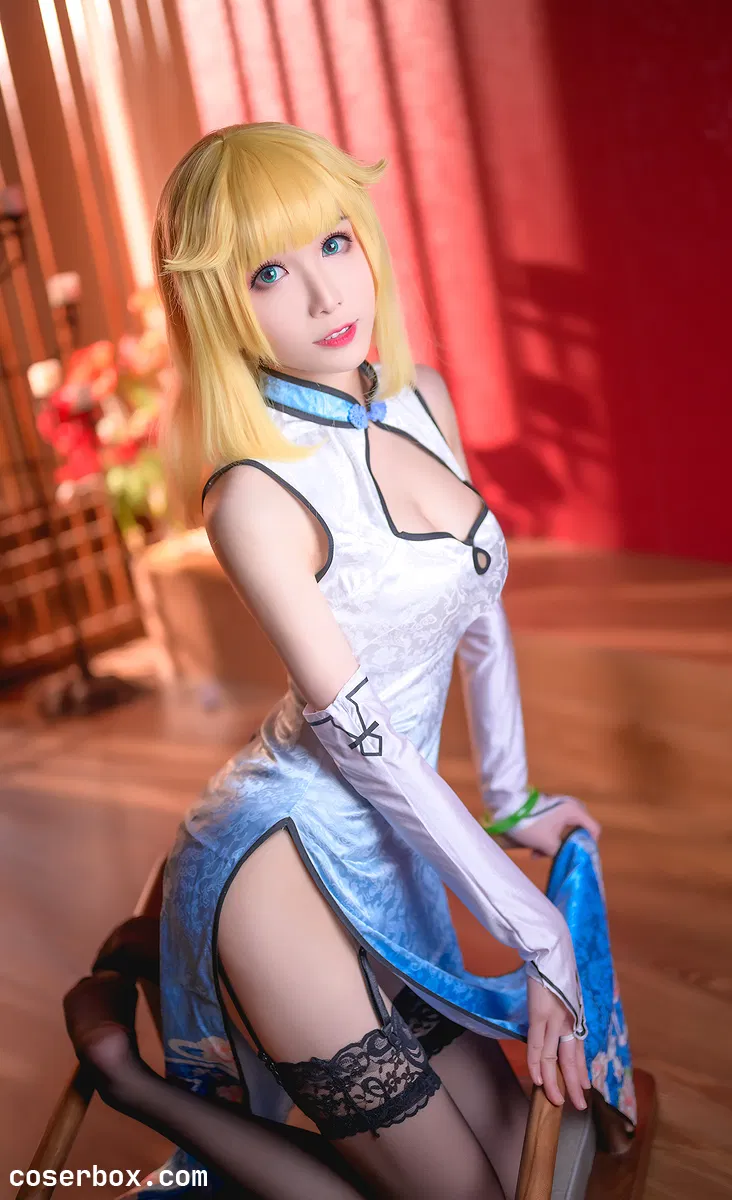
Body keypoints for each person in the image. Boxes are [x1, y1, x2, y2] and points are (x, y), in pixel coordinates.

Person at [66, 122, 604, 1200]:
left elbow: (476, 597)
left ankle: (149, 956)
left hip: (389, 848)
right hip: (281, 864)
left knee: (536, 1166)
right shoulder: (253, 496)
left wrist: (509, 798)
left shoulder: (422, 399)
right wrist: (534, 929)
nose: (323, 295)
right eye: (268, 273)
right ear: (218, 306)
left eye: (333, 242)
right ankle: (131, 1077)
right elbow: (366, 747)